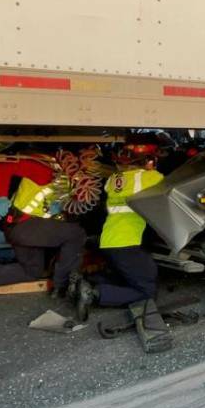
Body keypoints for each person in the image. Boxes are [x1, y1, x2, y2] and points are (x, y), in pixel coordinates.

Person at [80, 148, 171, 352]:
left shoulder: (113, 180)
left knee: (127, 278)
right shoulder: (148, 177)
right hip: (127, 242)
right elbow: (169, 186)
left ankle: (88, 282)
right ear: (146, 162)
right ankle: (94, 294)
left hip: (109, 240)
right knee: (147, 290)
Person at [0, 157, 88, 299]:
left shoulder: (68, 181)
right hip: (25, 225)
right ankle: (62, 286)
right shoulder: (44, 169)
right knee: (76, 234)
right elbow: (4, 165)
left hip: (20, 229)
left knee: (32, 271)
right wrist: (2, 196)